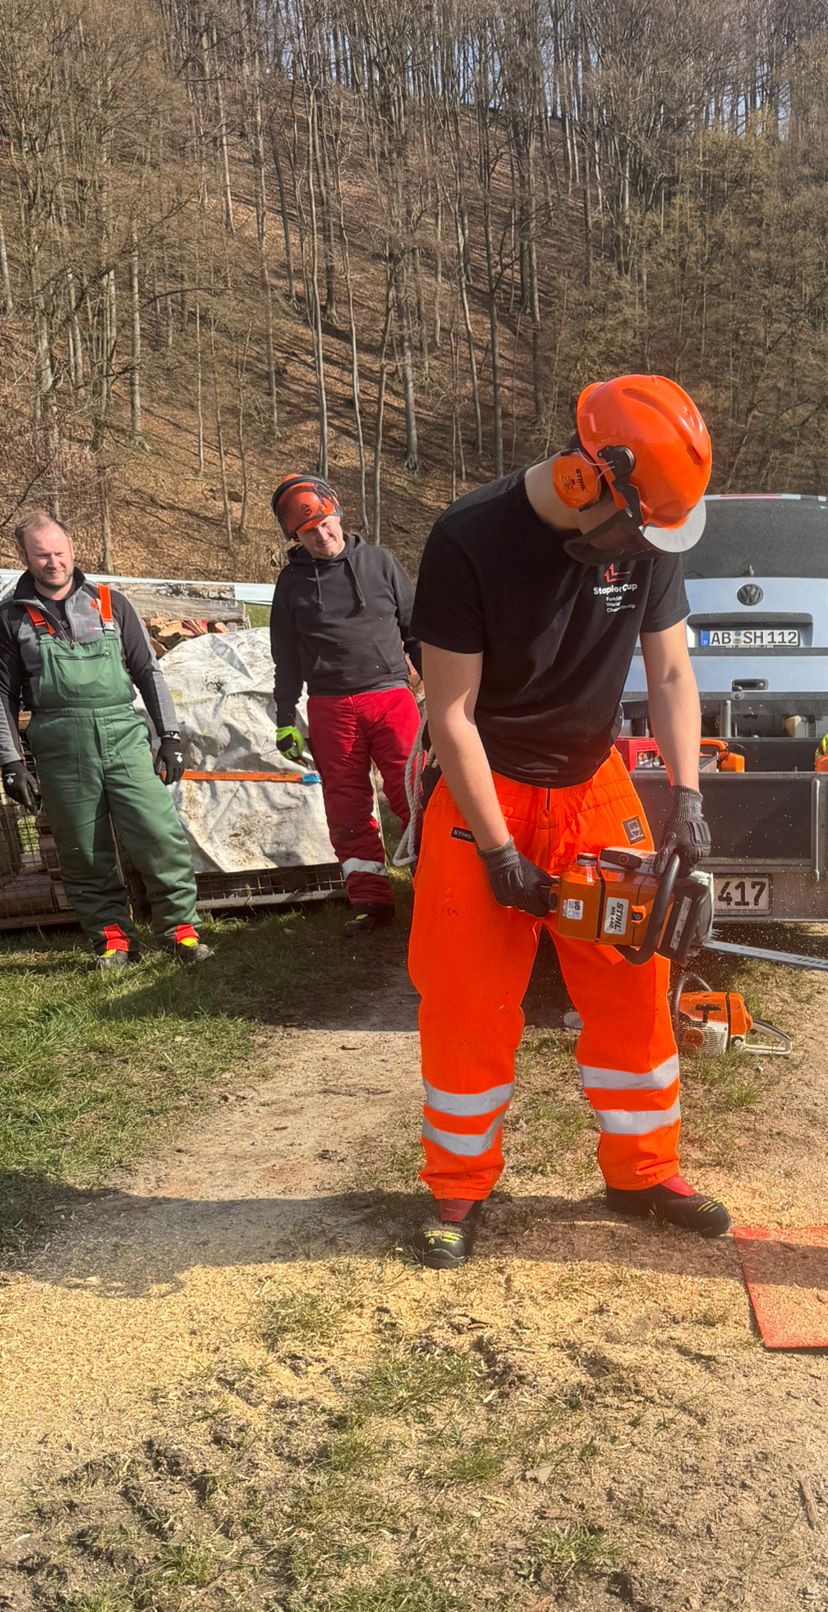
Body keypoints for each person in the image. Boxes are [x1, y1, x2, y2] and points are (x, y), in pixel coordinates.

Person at [407, 373, 727, 1268]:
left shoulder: (649, 527)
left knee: (633, 980)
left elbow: (669, 676)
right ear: (590, 479)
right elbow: (451, 716)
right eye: (641, 524)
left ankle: (643, 1171)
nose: (649, 543)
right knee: (467, 1001)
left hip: (596, 784)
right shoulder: (469, 541)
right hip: (487, 791)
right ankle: (458, 1189)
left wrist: (688, 795)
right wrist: (502, 855)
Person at [0, 510, 208, 966]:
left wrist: (168, 735)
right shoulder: (11, 617)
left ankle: (181, 931)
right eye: (41, 555)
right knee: (81, 846)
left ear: (72, 549)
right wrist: (10, 761)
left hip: (122, 732)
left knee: (158, 832)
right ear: (22, 556)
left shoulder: (110, 603)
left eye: (60, 552)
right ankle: (113, 939)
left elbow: (148, 672)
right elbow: (2, 694)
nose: (53, 562)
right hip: (59, 740)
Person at [267, 475, 420, 932]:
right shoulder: (291, 584)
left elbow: (417, 632)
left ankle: (435, 888)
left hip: (391, 697)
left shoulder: (380, 563)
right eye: (309, 531)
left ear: (339, 515)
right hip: (331, 707)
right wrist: (283, 718)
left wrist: (447, 697)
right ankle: (371, 900)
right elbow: (286, 659)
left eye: (326, 523)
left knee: (414, 795)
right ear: (295, 536)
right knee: (347, 807)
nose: (322, 535)